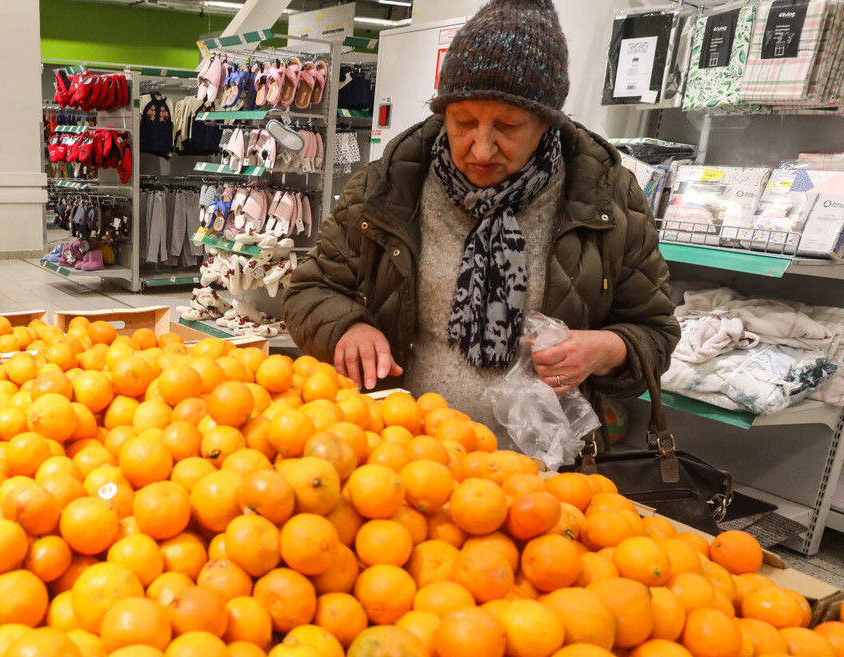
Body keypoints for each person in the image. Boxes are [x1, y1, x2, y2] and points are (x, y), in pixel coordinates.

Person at [283, 0, 679, 431]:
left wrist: (608, 349)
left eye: (508, 126)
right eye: (463, 122)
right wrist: (348, 328)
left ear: (547, 123)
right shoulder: (388, 187)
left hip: (545, 460)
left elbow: (655, 333)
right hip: (404, 446)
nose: (482, 148)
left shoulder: (606, 198)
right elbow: (310, 289)